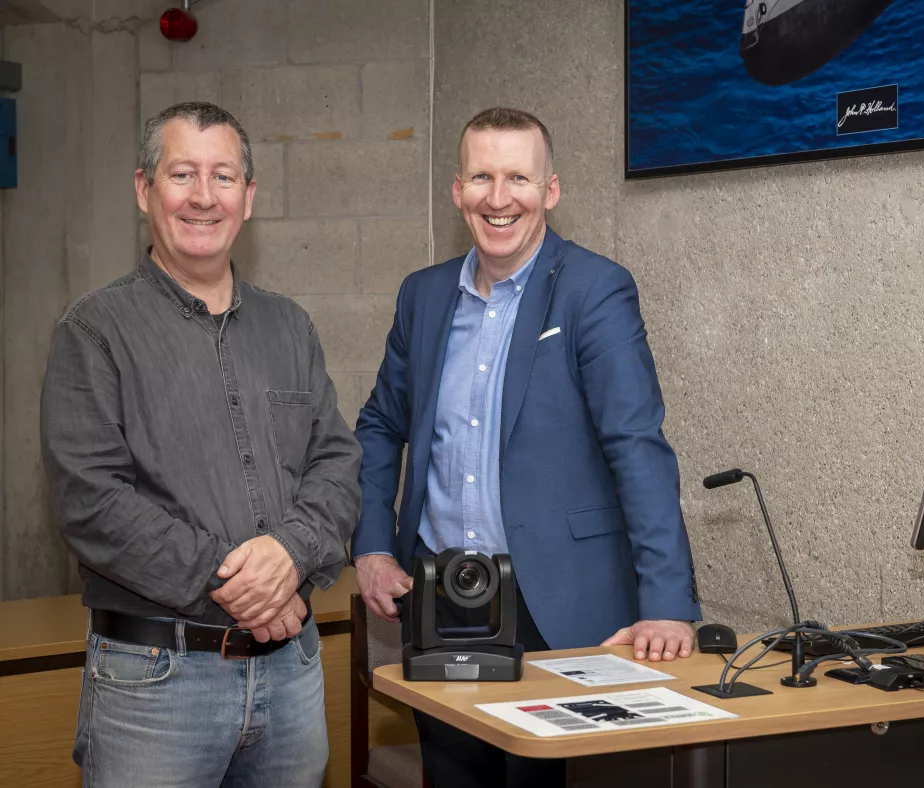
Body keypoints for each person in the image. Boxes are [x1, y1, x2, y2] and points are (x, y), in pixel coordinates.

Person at [352, 107, 702, 788]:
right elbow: (378, 426)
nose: (499, 196)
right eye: (482, 176)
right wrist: (369, 546)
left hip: (566, 614)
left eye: (518, 177)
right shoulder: (422, 297)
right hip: (444, 606)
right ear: (458, 191)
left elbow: (636, 445)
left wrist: (667, 602)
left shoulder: (594, 290)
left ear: (551, 190)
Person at [40, 101, 361, 787]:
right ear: (143, 189)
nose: (203, 197)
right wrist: (242, 586)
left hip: (292, 676)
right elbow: (91, 503)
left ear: (249, 197)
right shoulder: (93, 331)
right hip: (156, 686)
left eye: (223, 176)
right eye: (182, 173)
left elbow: (336, 463)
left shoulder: (290, 326)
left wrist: (291, 553)